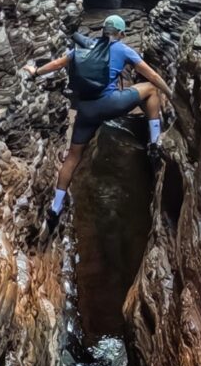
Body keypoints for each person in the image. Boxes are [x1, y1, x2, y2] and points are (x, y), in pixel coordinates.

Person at [24, 14, 173, 231]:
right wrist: (170, 92)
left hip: (86, 111)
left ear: (103, 30)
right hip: (111, 104)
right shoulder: (122, 49)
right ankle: (155, 141)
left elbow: (57, 64)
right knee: (150, 90)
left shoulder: (84, 49)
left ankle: (55, 207)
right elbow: (151, 75)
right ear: (121, 34)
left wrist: (35, 71)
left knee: (73, 157)